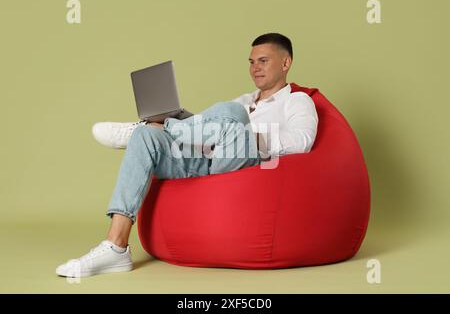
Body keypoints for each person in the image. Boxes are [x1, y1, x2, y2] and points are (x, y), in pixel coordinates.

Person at [56, 33, 319, 278]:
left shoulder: (298, 101)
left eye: (263, 61)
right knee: (148, 138)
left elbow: (302, 142)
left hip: (247, 163)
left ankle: (164, 126)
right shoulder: (245, 99)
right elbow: (207, 131)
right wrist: (192, 122)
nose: (255, 68)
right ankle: (116, 245)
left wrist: (246, 134)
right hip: (208, 159)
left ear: (286, 62)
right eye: (251, 62)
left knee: (233, 114)